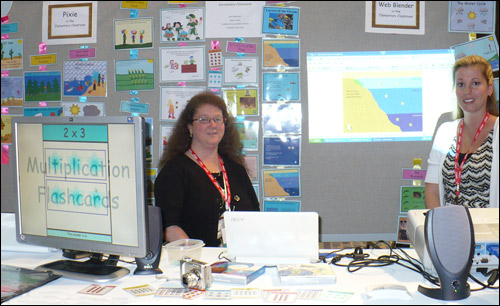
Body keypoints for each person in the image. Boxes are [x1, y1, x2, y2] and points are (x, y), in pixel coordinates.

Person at [154, 92, 260, 247]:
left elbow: (255, 216)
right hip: (196, 264)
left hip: (239, 263)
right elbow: (169, 228)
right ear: (189, 126)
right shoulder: (174, 172)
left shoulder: (236, 169)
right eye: (204, 120)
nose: (213, 125)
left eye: (217, 119)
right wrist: (198, 256)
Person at [425, 55, 499, 209]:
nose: (467, 91)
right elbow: (432, 192)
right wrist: (440, 227)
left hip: (491, 230)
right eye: (461, 84)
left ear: (490, 88)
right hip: (450, 229)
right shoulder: (445, 132)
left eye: (476, 83)